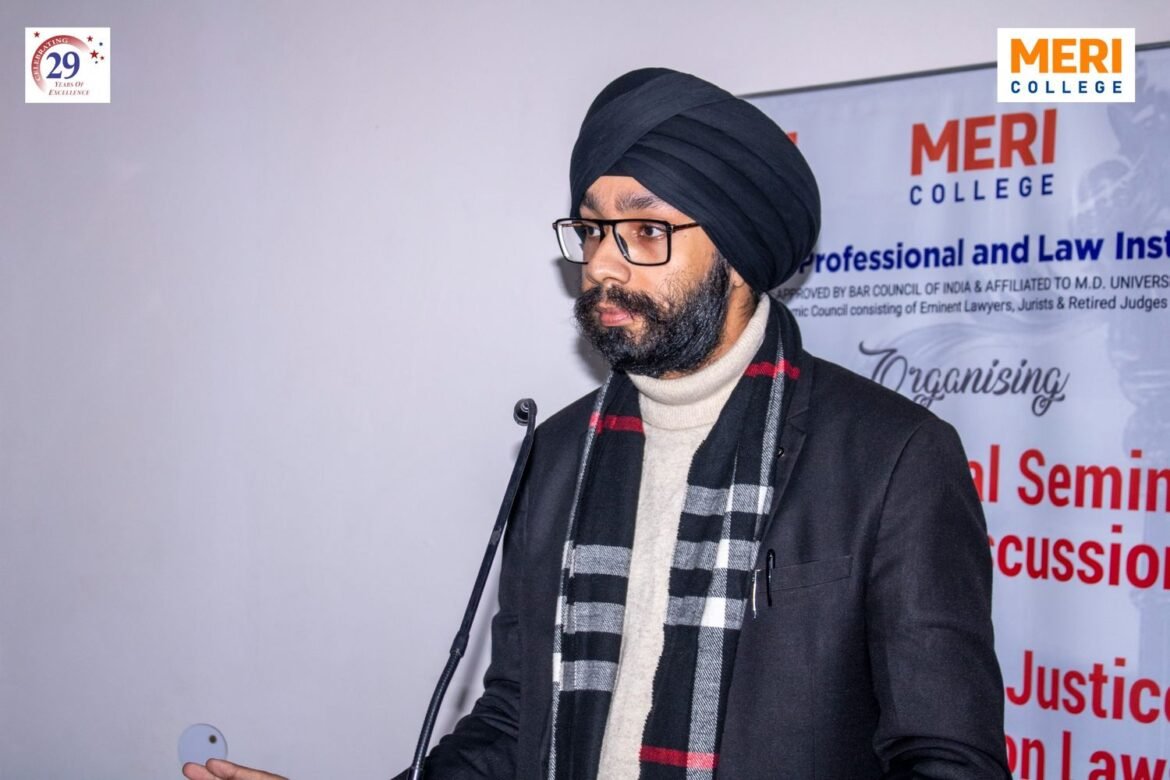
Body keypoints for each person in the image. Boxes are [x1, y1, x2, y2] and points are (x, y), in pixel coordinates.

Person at [185, 68, 1009, 780]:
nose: (602, 264)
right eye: (591, 230)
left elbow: (946, 759)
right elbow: (513, 722)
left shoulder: (893, 458)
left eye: (645, 230)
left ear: (738, 255)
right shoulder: (558, 453)